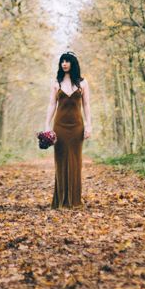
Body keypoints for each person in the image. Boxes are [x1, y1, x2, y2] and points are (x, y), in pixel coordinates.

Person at [44, 51, 91, 208]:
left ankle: (75, 200)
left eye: (67, 61)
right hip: (60, 126)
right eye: (62, 61)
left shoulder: (83, 83)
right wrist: (47, 125)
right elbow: (52, 104)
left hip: (77, 126)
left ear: (73, 64)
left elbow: (86, 105)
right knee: (61, 160)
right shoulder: (56, 83)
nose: (64, 63)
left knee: (76, 161)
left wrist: (89, 125)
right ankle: (61, 199)